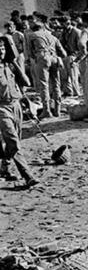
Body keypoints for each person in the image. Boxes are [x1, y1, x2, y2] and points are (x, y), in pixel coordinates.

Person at [0, 36, 37, 187]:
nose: (1, 51)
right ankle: (28, 175)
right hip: (1, 108)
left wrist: (14, 62)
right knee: (14, 142)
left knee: (15, 141)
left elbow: (27, 83)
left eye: (2, 48)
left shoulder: (10, 65)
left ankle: (5, 167)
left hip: (16, 106)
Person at [26, 16, 65, 118]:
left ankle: (46, 110)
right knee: (56, 84)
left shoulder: (31, 35)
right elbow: (63, 52)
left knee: (44, 84)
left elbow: (29, 51)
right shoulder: (52, 36)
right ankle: (57, 109)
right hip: (54, 57)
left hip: (42, 57)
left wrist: (34, 58)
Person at [58, 16, 81, 96]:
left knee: (73, 77)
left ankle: (76, 93)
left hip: (73, 56)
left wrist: (77, 58)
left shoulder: (76, 32)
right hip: (64, 56)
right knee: (64, 77)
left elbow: (80, 46)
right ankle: (68, 92)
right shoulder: (63, 32)